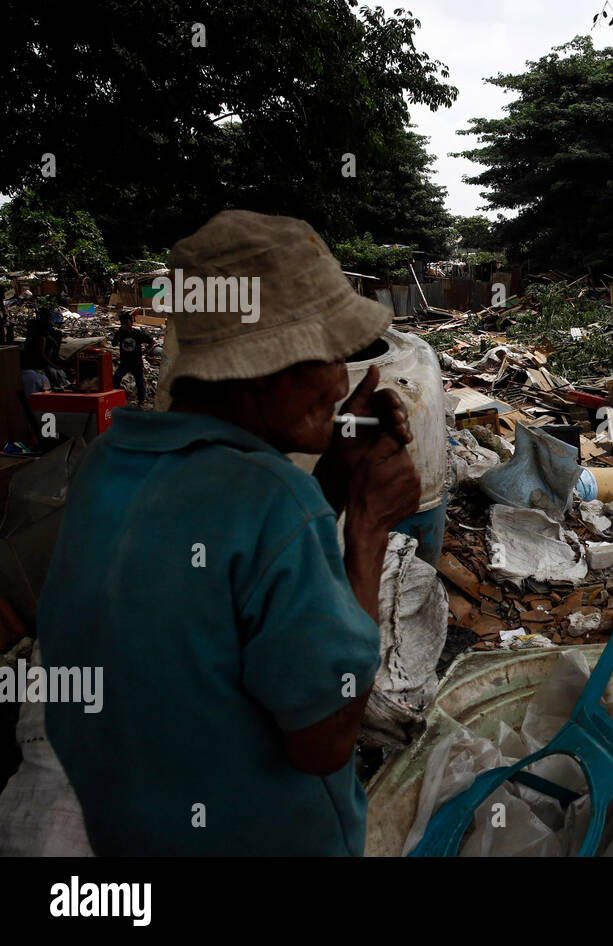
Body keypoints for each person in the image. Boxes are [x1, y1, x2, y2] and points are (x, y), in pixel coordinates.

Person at [40, 210, 421, 855]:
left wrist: (332, 468)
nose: (338, 382)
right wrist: (369, 528)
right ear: (256, 372)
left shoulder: (109, 464)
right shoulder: (271, 498)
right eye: (320, 360)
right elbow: (326, 740)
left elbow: (232, 571)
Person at [112, 310, 152, 406]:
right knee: (116, 379)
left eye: (126, 322)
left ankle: (141, 402)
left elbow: (152, 341)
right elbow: (113, 344)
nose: (125, 325)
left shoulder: (137, 334)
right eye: (123, 323)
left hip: (136, 362)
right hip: (125, 362)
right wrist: (119, 333)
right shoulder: (121, 333)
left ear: (131, 322)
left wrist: (145, 352)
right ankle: (118, 398)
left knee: (140, 383)